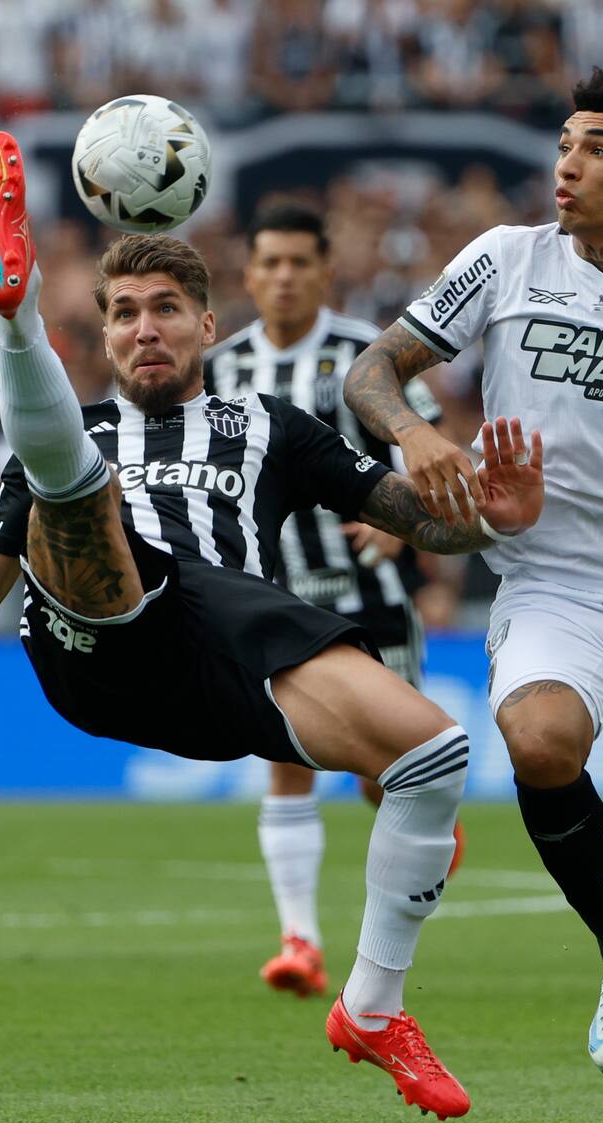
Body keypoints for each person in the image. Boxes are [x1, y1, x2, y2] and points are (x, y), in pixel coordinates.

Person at [0, 132, 546, 1119]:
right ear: (100, 336)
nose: (144, 330)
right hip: (99, 645)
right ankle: (15, 319)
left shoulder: (272, 427)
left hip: (233, 662)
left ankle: (374, 1008)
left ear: (208, 323)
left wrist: (489, 514)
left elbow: (414, 517)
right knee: (73, 492)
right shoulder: (86, 430)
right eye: (124, 314)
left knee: (435, 754)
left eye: (165, 310)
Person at [344, 67, 603, 1076]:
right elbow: (367, 373)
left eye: (598, 149)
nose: (568, 167)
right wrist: (414, 435)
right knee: (538, 741)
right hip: (550, 580)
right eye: (565, 145)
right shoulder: (506, 258)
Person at [205, 202, 465, 999]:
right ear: (249, 275)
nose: (283, 276)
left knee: (387, 777)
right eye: (269, 263)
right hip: (272, 596)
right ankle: (301, 943)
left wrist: (404, 532)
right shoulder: (218, 370)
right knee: (285, 762)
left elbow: (426, 451)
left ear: (325, 271)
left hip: (370, 593)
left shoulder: (365, 355)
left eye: (298, 263)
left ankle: (399, 899)